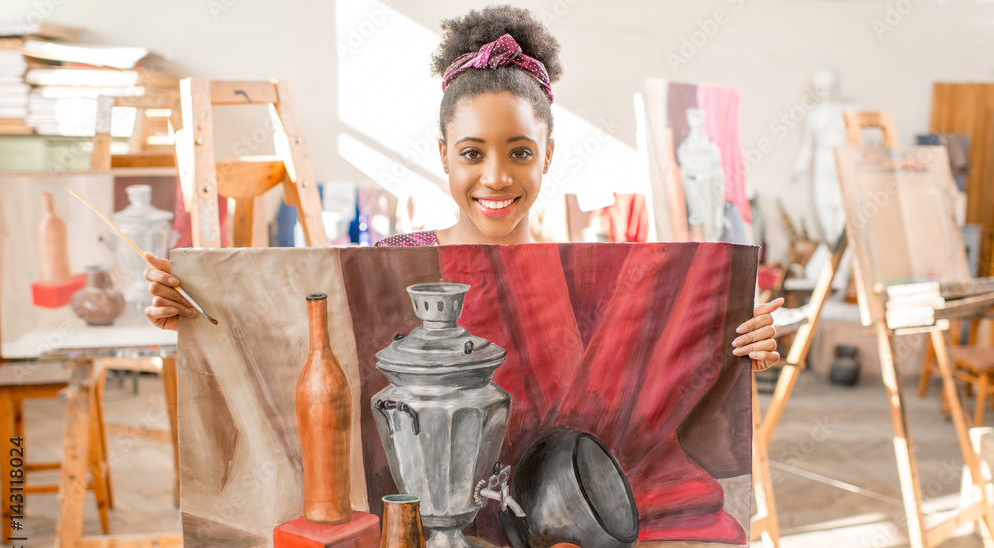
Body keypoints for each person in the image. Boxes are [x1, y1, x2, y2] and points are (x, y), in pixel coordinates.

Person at [143, 5, 781, 370]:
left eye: (521, 153)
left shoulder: (593, 278)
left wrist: (737, 342)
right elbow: (296, 331)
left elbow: (659, 369)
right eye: (472, 153)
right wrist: (200, 308)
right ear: (443, 157)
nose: (497, 177)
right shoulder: (395, 262)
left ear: (549, 157)